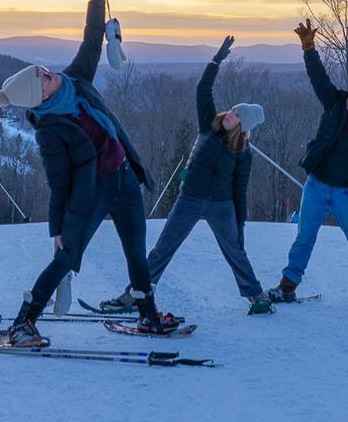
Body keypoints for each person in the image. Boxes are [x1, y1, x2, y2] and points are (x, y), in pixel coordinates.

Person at [0, 0, 179, 345]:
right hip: (91, 193)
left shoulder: (74, 82)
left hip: (124, 179)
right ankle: (23, 322)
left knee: (136, 254)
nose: (49, 73)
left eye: (43, 69)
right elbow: (58, 183)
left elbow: (92, 42)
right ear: (39, 95)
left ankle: (147, 315)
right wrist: (57, 229)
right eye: (43, 77)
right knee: (67, 257)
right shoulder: (49, 132)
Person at [97, 36, 274, 315]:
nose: (230, 113)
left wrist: (239, 225)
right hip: (189, 198)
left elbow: (240, 191)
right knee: (163, 248)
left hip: (221, 204)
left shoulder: (243, 153)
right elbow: (203, 89)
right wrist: (216, 60)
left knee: (235, 251)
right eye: (233, 109)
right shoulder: (209, 126)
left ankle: (256, 296)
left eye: (237, 115)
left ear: (243, 126)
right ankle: (136, 293)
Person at [275, 18, 348, 303]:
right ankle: (288, 286)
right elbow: (319, 78)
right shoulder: (336, 103)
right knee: (304, 237)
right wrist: (309, 49)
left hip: (346, 193)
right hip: (316, 185)